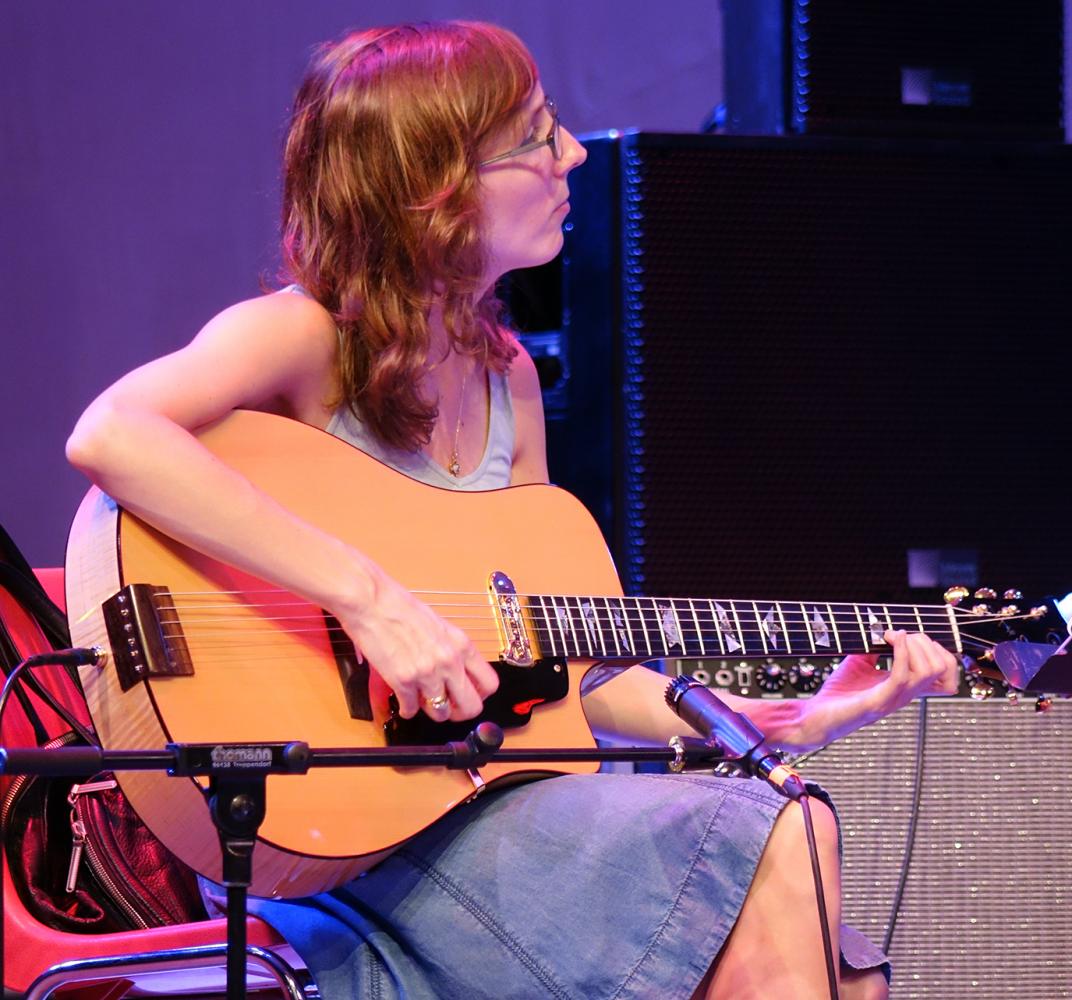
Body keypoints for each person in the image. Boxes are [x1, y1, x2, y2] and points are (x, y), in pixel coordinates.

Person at [66, 20, 958, 1000]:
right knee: (789, 843)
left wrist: (762, 718)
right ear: (435, 189)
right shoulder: (301, 339)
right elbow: (112, 433)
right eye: (537, 137)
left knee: (824, 911)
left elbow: (568, 675)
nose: (572, 153)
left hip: (493, 816)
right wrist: (371, 599)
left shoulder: (507, 380)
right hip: (347, 849)